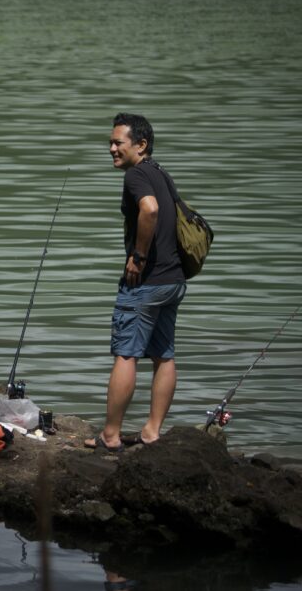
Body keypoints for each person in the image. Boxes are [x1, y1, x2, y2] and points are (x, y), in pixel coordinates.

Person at [85, 113, 188, 451]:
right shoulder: (161, 173)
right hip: (172, 281)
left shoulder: (136, 175)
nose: (112, 149)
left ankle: (111, 435)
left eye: (118, 143)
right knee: (164, 355)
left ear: (140, 145)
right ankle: (152, 432)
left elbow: (151, 209)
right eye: (110, 143)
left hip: (146, 282)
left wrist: (138, 256)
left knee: (125, 354)